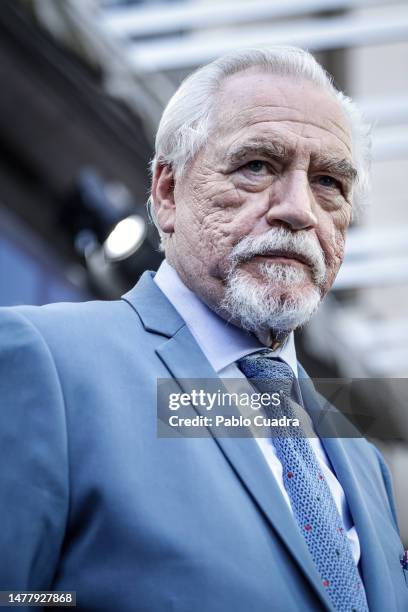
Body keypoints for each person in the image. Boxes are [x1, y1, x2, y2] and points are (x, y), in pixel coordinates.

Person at [0, 47, 406, 612]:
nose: (298, 209)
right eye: (258, 166)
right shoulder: (45, 362)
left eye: (328, 182)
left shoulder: (360, 456)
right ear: (167, 192)